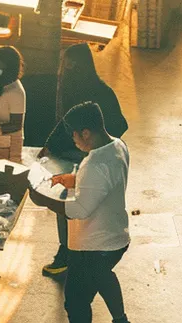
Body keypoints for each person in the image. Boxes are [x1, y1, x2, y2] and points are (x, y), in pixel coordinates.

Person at [29, 101, 137, 323]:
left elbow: (79, 210)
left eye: (75, 135)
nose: (74, 141)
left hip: (92, 245)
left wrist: (41, 199)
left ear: (86, 132)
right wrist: (72, 179)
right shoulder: (117, 147)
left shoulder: (95, 163)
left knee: (76, 303)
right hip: (115, 237)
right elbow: (103, 182)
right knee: (103, 278)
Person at [40, 43, 129, 276]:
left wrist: (94, 149)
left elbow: (120, 124)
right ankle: (71, 249)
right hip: (76, 152)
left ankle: (67, 252)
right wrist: (49, 145)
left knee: (68, 202)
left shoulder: (101, 93)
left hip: (85, 154)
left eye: (70, 63)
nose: (65, 68)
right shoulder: (70, 89)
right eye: (64, 63)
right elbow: (64, 124)